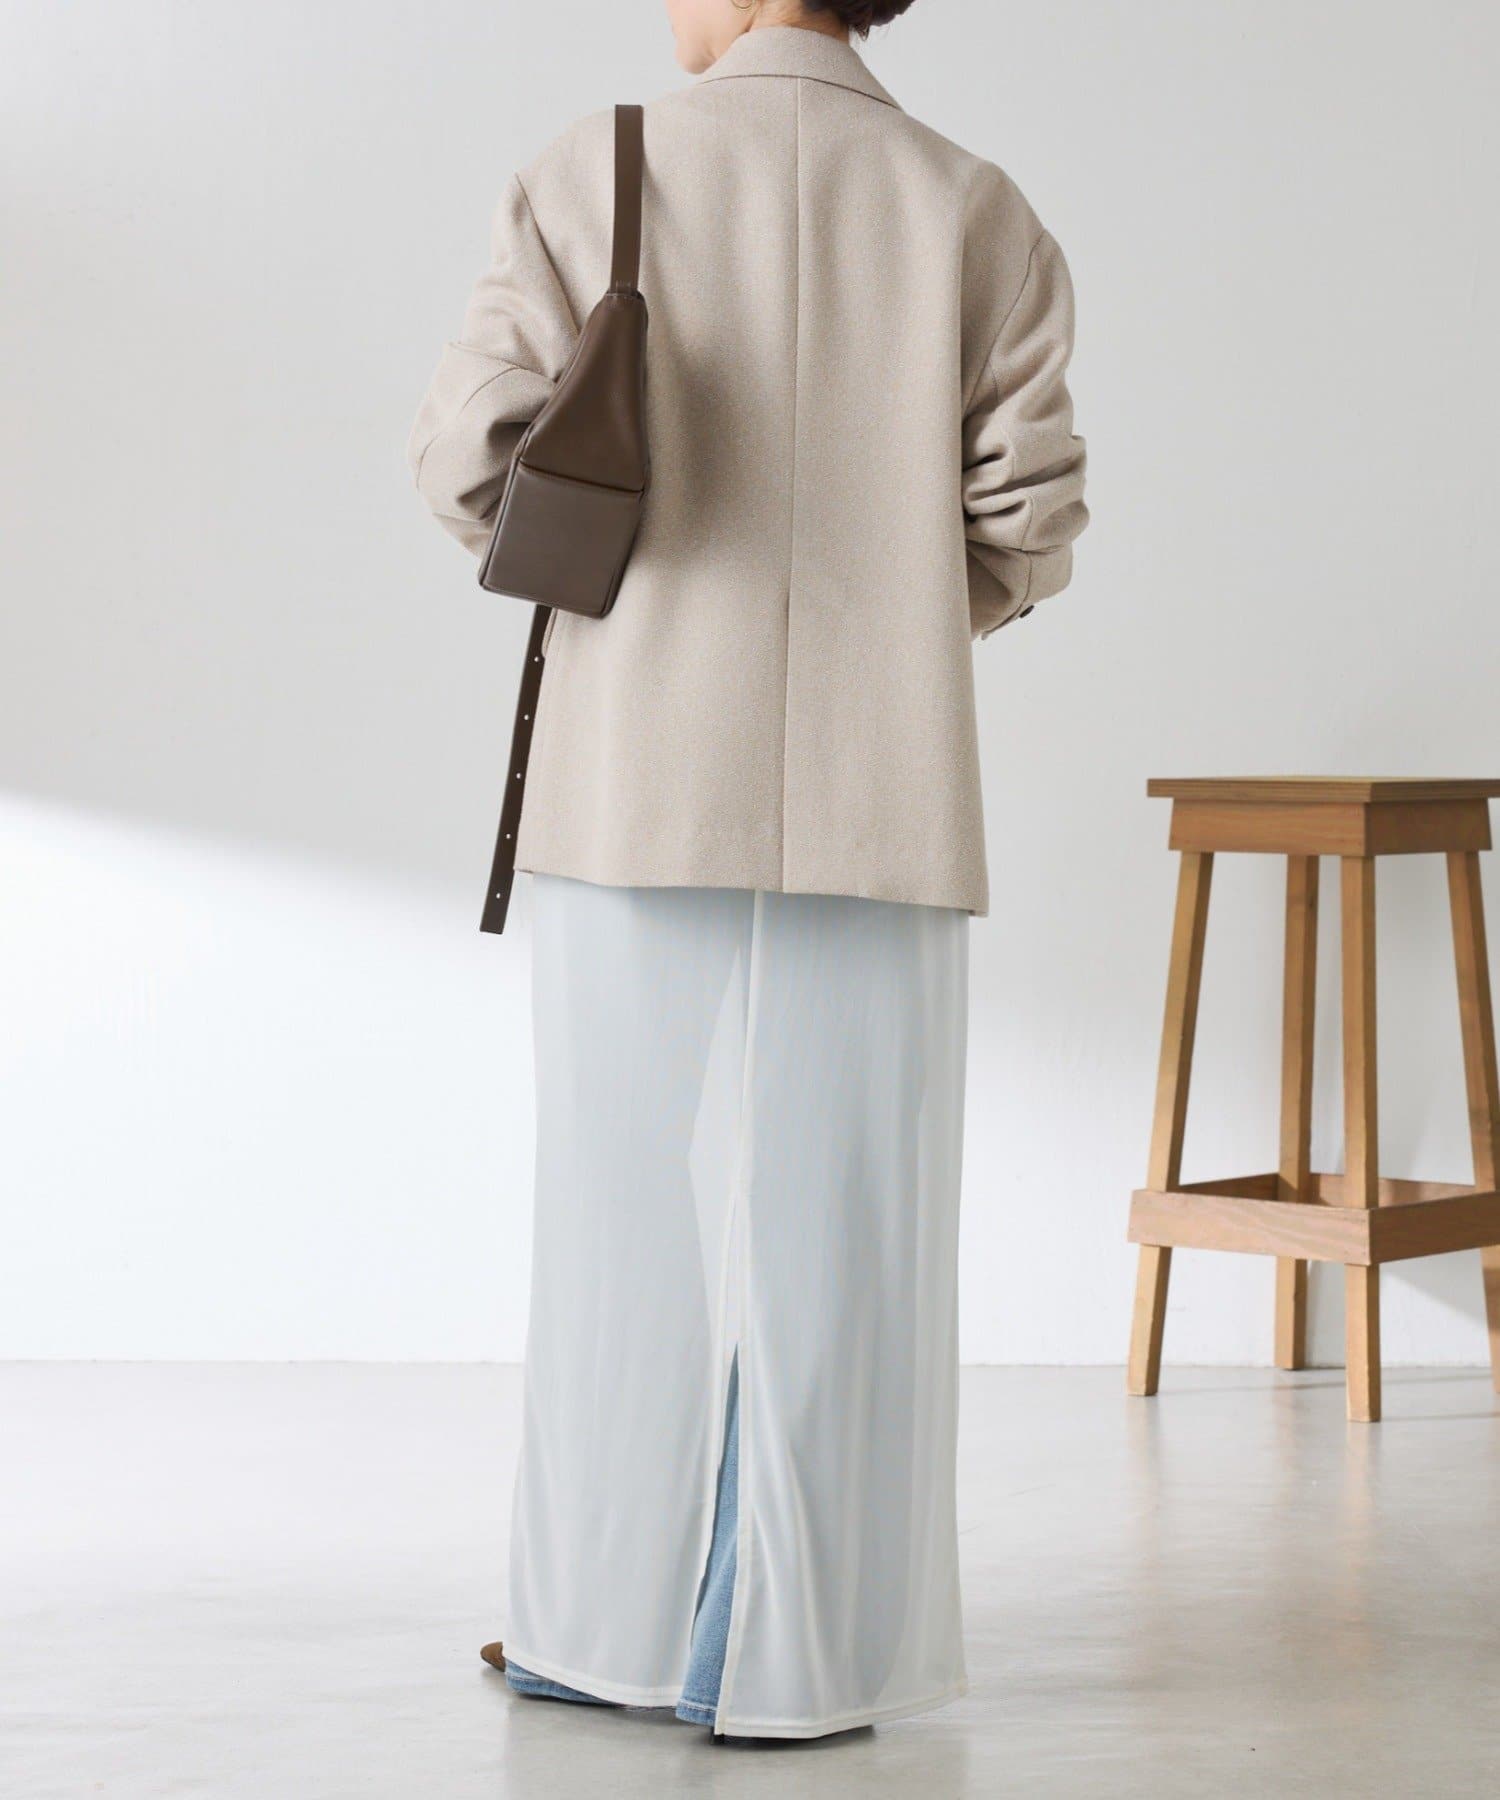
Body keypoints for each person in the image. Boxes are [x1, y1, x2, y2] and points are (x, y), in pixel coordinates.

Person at [407, 0, 1087, 1742]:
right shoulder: (972, 204)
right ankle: (800, 1653)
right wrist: (901, 635)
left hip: (633, 778)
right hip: (886, 795)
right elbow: (1028, 521)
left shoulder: (598, 168)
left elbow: (471, 457)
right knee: (847, 1221)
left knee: (623, 1208)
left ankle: (606, 1622)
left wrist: (626, 596)